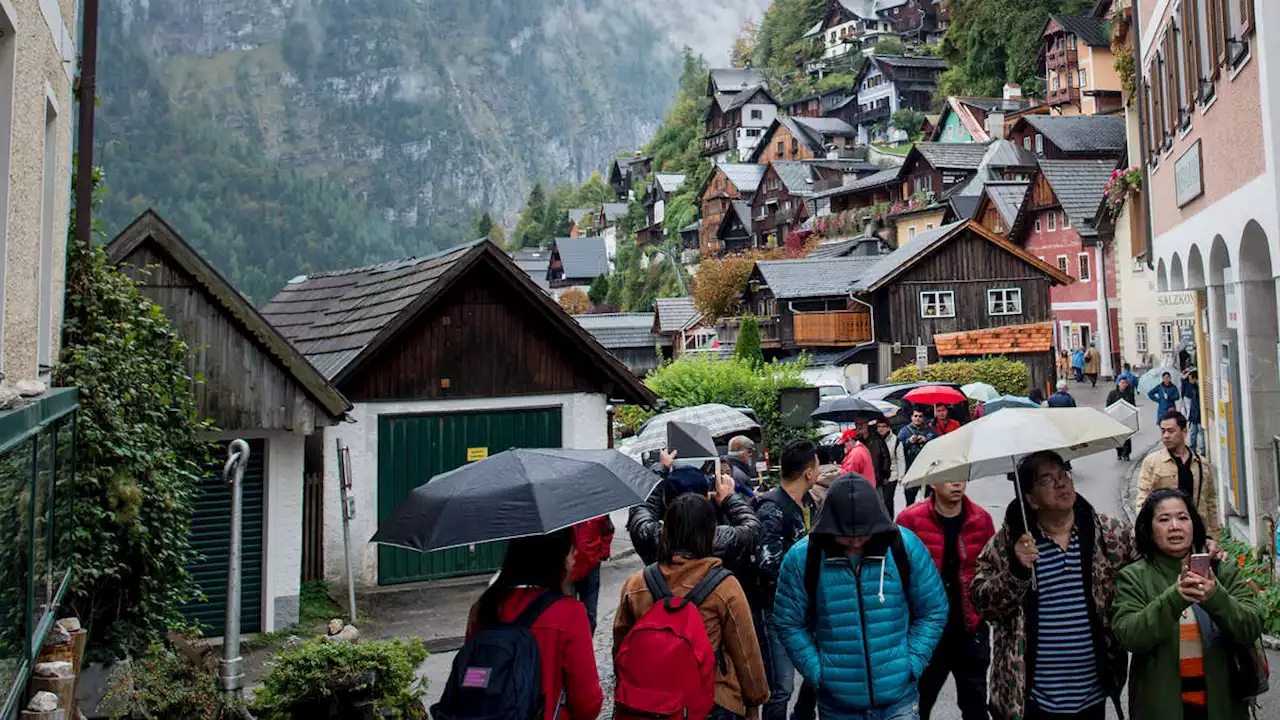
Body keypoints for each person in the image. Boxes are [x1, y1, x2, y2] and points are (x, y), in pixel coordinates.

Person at [971, 451, 1136, 720]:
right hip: (1032, 699)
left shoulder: (1110, 534)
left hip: (1093, 694)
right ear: (1031, 499)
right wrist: (1015, 569)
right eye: (1047, 480)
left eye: (1063, 475)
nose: (1061, 484)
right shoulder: (1007, 544)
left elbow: (1147, 567)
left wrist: (1200, 547)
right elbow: (983, 604)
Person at [774, 477, 948, 720]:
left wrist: (912, 662)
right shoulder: (803, 557)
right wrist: (819, 673)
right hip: (838, 705)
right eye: (845, 536)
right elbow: (788, 622)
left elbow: (933, 609)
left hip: (899, 701)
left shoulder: (903, 546)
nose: (855, 542)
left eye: (863, 534)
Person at [1111, 489, 1264, 720]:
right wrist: (1174, 598)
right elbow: (1130, 636)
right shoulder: (1134, 577)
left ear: (1194, 523)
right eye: (1164, 519)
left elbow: (1251, 625)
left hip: (1223, 705)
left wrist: (1216, 597)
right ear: (1149, 530)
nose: (1175, 526)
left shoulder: (1221, 569)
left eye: (1182, 517)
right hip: (1163, 706)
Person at [615, 494, 769, 720]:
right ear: (712, 533)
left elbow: (621, 647)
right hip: (712, 701)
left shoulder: (636, 585)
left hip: (648, 703)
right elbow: (746, 651)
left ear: (665, 531)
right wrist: (754, 702)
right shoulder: (725, 587)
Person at [462, 530, 602, 720]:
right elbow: (587, 703)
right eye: (570, 551)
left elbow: (471, 681)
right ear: (554, 559)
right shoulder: (570, 614)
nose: (574, 557)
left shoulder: (483, 608)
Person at [895, 481, 996, 720]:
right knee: (917, 707)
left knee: (976, 707)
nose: (957, 482)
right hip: (926, 634)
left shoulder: (981, 519)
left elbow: (992, 570)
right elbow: (896, 575)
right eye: (949, 476)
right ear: (932, 480)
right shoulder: (910, 521)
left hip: (970, 629)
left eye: (961, 475)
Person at [752, 440, 821, 720]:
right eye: (817, 465)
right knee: (780, 687)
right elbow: (768, 567)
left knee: (816, 673)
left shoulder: (807, 503)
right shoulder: (772, 509)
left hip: (806, 608)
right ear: (808, 472)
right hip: (776, 610)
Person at [627, 452, 761, 574]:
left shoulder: (650, 537)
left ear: (665, 500)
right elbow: (752, 527)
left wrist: (660, 469)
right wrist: (729, 498)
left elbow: (642, 506)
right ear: (708, 497)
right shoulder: (724, 541)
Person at [1138, 409, 1221, 541]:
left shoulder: (1201, 464)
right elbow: (1143, 499)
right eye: (1163, 431)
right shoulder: (1152, 462)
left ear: (1184, 431)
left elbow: (1210, 502)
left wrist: (1215, 537)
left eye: (1170, 431)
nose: (1165, 436)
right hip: (1165, 535)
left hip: (1196, 534)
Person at [569, 516, 613, 632]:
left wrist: (602, 553)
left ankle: (586, 644)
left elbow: (607, 530)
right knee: (568, 615)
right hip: (567, 571)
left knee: (590, 616)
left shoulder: (596, 512)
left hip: (591, 567)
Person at [899, 408, 938, 506]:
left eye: (920, 416)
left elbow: (937, 442)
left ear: (923, 418)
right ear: (911, 417)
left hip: (927, 469)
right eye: (915, 416)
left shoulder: (930, 430)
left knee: (929, 500)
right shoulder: (904, 431)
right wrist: (908, 441)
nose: (918, 418)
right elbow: (898, 448)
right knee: (910, 500)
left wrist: (926, 439)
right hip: (910, 469)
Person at [874, 417, 905, 516]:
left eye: (883, 426)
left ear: (888, 427)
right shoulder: (874, 440)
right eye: (879, 426)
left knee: (888, 499)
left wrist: (901, 477)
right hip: (878, 474)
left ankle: (890, 521)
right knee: (879, 500)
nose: (881, 429)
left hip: (892, 474)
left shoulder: (895, 440)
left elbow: (900, 459)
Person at [1107, 375, 1137, 461]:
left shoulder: (1129, 393)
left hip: (1126, 418)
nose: (1124, 384)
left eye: (1125, 383)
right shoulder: (1113, 393)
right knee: (1118, 437)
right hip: (1116, 419)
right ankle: (1119, 452)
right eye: (1122, 383)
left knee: (1127, 437)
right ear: (1118, 383)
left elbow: (1133, 405)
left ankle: (1126, 453)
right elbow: (1108, 405)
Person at [1182, 370, 1205, 455]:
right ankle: (1193, 449)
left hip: (1198, 415)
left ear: (1195, 379)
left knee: (1201, 433)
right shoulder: (1193, 387)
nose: (1190, 381)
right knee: (1193, 433)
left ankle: (1202, 451)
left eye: (1191, 379)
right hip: (1193, 415)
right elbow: (1183, 380)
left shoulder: (1199, 388)